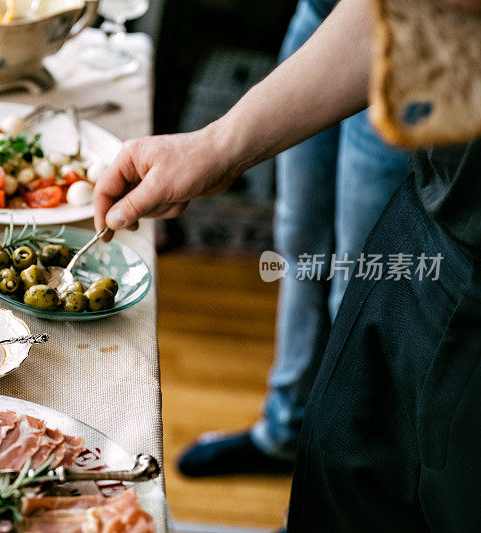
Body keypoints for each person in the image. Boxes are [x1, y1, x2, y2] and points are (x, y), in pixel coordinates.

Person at [94, 0, 481, 528]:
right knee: (303, 256)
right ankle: (285, 429)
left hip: (464, 267)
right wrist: (217, 146)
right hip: (428, 191)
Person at [175, 0, 411, 476]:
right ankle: (285, 429)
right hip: (322, 17)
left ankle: (334, 480)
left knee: (359, 283)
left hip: (407, 43)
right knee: (300, 246)